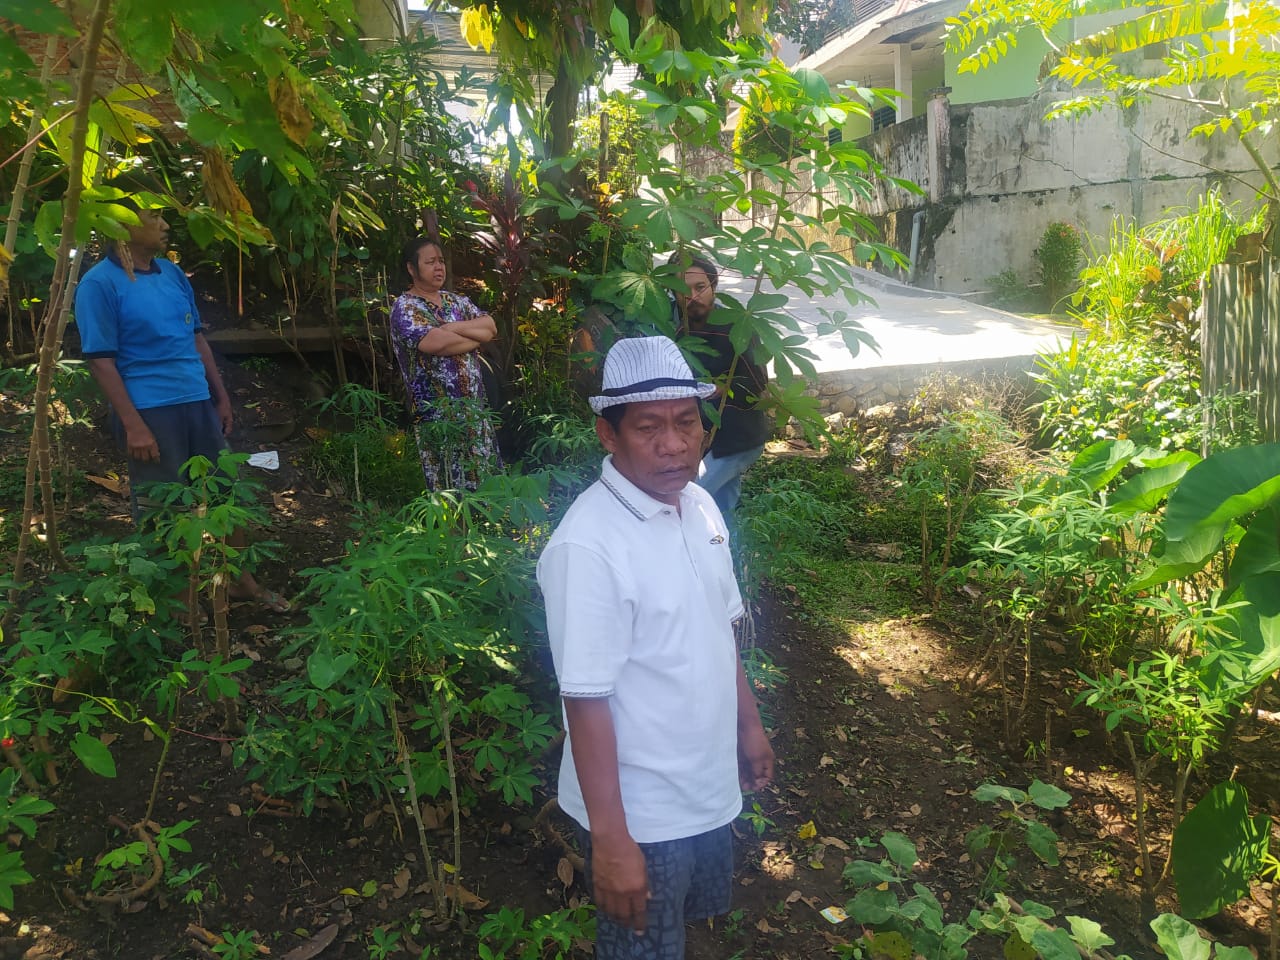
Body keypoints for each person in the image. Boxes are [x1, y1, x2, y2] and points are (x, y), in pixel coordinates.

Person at [537, 336, 775, 960]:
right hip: (641, 814)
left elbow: (719, 629)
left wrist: (748, 727)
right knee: (641, 950)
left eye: (686, 422)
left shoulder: (698, 506)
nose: (674, 444)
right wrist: (613, 842)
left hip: (705, 781)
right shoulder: (587, 548)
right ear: (607, 435)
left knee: (684, 929)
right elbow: (585, 702)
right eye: (648, 428)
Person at [75, 187, 289, 613]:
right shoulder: (99, 284)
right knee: (164, 504)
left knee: (225, 492)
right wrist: (133, 424)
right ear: (123, 222)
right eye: (155, 216)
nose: (165, 225)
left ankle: (241, 581)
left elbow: (196, 339)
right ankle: (178, 606)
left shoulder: (171, 275)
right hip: (150, 409)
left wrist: (220, 396)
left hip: (196, 400)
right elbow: (101, 360)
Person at [389, 237, 501, 490]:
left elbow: (490, 327)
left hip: (474, 412)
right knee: (448, 484)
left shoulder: (457, 302)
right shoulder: (405, 307)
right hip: (437, 416)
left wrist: (453, 327)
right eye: (430, 262)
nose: (439, 267)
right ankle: (453, 527)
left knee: (484, 481)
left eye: (440, 261)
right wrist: (474, 338)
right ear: (411, 268)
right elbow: (436, 343)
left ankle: (486, 526)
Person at [671, 254, 772, 515]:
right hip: (707, 439)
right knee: (723, 506)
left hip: (738, 438)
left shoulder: (736, 327)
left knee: (691, 494)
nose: (692, 296)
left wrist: (723, 389)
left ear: (713, 286)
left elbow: (758, 383)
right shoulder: (679, 330)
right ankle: (727, 549)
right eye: (683, 290)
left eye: (700, 287)